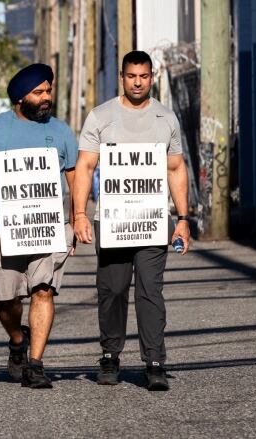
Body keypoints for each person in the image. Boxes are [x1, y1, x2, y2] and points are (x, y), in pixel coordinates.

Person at [72, 50, 191, 391]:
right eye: (131, 76)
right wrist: (80, 214)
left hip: (153, 221)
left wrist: (182, 218)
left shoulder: (165, 118)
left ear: (151, 77)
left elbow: (176, 168)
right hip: (113, 222)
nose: (137, 82)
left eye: (143, 76)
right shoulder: (101, 116)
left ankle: (155, 361)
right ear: (121, 78)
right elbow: (85, 166)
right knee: (112, 290)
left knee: (151, 291)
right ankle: (110, 355)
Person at [0, 64, 78, 389]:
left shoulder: (61, 132)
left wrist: (77, 218)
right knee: (6, 300)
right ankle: (18, 339)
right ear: (19, 98)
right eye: (38, 93)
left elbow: (76, 178)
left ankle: (36, 364)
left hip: (48, 227)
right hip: (4, 228)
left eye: (49, 91)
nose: (47, 97)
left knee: (43, 290)